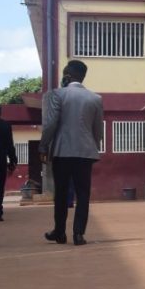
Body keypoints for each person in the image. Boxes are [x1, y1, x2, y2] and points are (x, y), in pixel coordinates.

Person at [39, 59, 104, 246]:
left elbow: (50, 124)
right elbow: (98, 129)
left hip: (62, 151)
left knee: (61, 192)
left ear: (67, 74)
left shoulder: (57, 94)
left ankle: (59, 232)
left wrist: (44, 145)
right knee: (83, 193)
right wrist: (94, 146)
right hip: (85, 152)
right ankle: (78, 234)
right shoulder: (95, 98)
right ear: (83, 76)